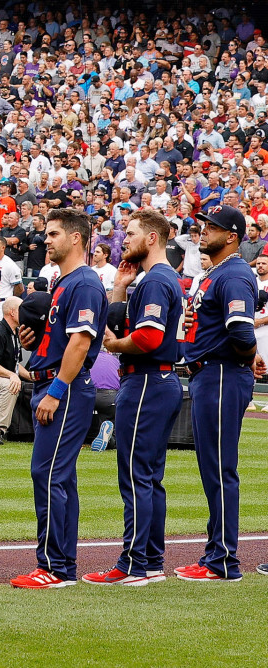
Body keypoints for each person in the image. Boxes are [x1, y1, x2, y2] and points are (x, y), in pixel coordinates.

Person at [84, 209, 184, 586]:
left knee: (135, 476)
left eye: (131, 233)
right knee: (149, 477)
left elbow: (147, 339)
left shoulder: (156, 280)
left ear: (153, 238)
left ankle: (134, 564)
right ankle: (152, 561)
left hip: (145, 381)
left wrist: (113, 344)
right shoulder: (155, 278)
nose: (123, 239)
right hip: (157, 381)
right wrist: (120, 289)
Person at [10, 208, 107, 590]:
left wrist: (55, 391)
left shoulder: (83, 282)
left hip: (64, 390)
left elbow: (81, 343)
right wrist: (34, 342)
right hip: (53, 383)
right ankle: (60, 565)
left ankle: (53, 567)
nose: (45, 240)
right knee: (58, 477)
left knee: (48, 474)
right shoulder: (63, 281)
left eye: (52, 234)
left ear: (76, 238)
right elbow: (63, 339)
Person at [177, 205, 263, 581]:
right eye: (202, 226)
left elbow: (242, 331)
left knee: (219, 469)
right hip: (212, 374)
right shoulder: (217, 273)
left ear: (232, 236)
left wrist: (247, 355)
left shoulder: (234, 273)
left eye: (211, 228)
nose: (202, 232)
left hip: (222, 374)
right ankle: (215, 553)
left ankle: (223, 560)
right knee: (212, 468)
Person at [0, 296, 29, 444]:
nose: (25, 314)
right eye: (22, 310)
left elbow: (15, 364)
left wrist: (30, 376)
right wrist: (11, 376)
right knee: (10, 386)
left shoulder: (14, 333)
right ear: (12, 312)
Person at [0, 237, 23, 326]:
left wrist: (9, 299)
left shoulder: (10, 265)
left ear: (3, 247)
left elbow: (20, 289)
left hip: (1, 304)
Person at [253, 255, 268, 357]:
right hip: (249, 328)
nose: (260, 266)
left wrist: (260, 321)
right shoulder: (250, 282)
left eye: (264, 263)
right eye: (258, 263)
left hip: (265, 329)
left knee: (265, 366)